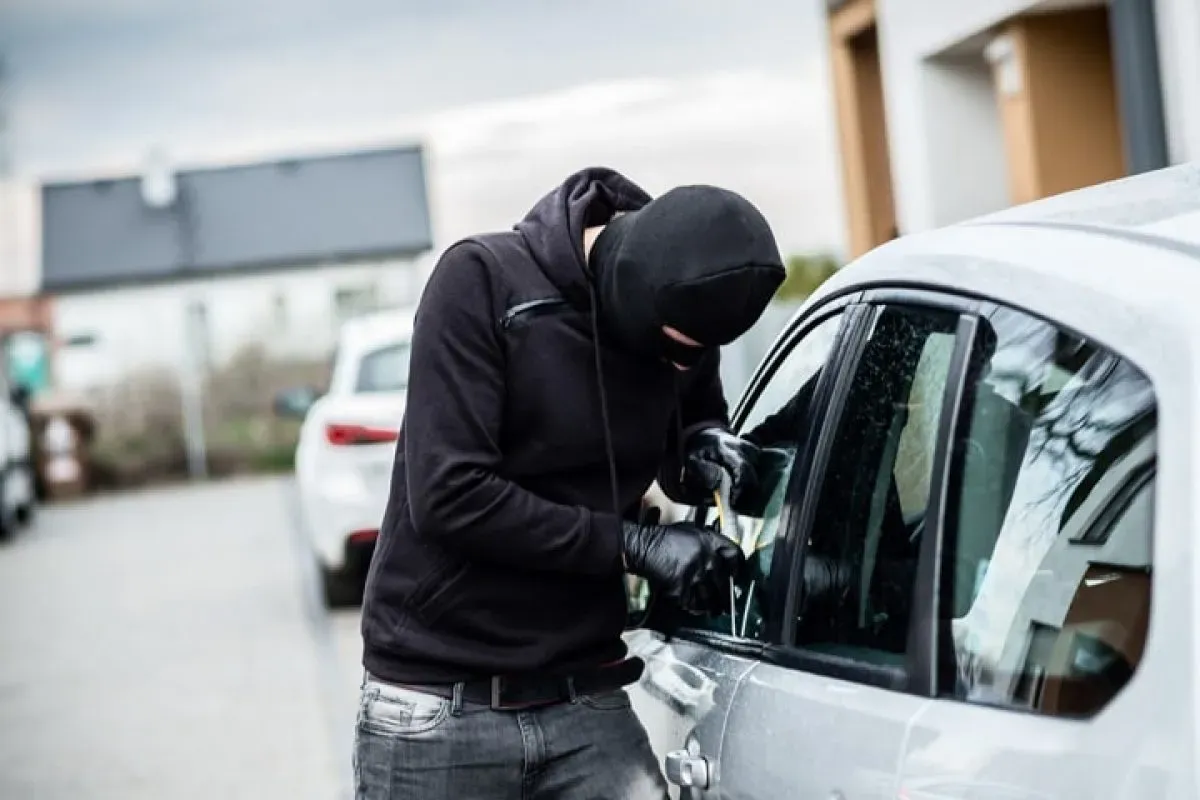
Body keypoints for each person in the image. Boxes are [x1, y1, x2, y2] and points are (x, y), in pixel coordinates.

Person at [355, 167, 786, 799]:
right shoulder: (481, 283)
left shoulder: (684, 314)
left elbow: (684, 423)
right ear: (628, 292)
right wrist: (633, 547)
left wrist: (702, 446)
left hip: (585, 693)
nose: (682, 364)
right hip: (440, 704)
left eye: (698, 353)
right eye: (674, 348)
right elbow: (450, 495)